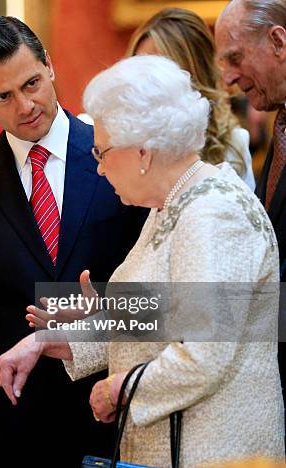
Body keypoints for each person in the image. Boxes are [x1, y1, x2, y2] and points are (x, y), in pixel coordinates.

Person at [0, 55, 285, 466]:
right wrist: (50, 342)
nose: (98, 169)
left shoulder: (213, 213)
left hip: (215, 452)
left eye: (102, 152)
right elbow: (156, 315)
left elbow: (205, 353)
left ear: (144, 151)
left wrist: (118, 390)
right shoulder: (171, 204)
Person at [0, 16, 146, 467]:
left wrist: (81, 317)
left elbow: (159, 293)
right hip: (18, 419)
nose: (25, 105)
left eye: (31, 83)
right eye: (3, 96)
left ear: (49, 66)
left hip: (112, 406)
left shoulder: (121, 155)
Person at [215, 0, 286, 429]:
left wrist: (125, 316)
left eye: (235, 57)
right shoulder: (279, 127)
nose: (227, 77)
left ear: (278, 41)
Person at [127, 7, 255, 189]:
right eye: (140, 69)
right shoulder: (111, 143)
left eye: (161, 73)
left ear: (195, 78)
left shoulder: (233, 144)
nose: (146, 85)